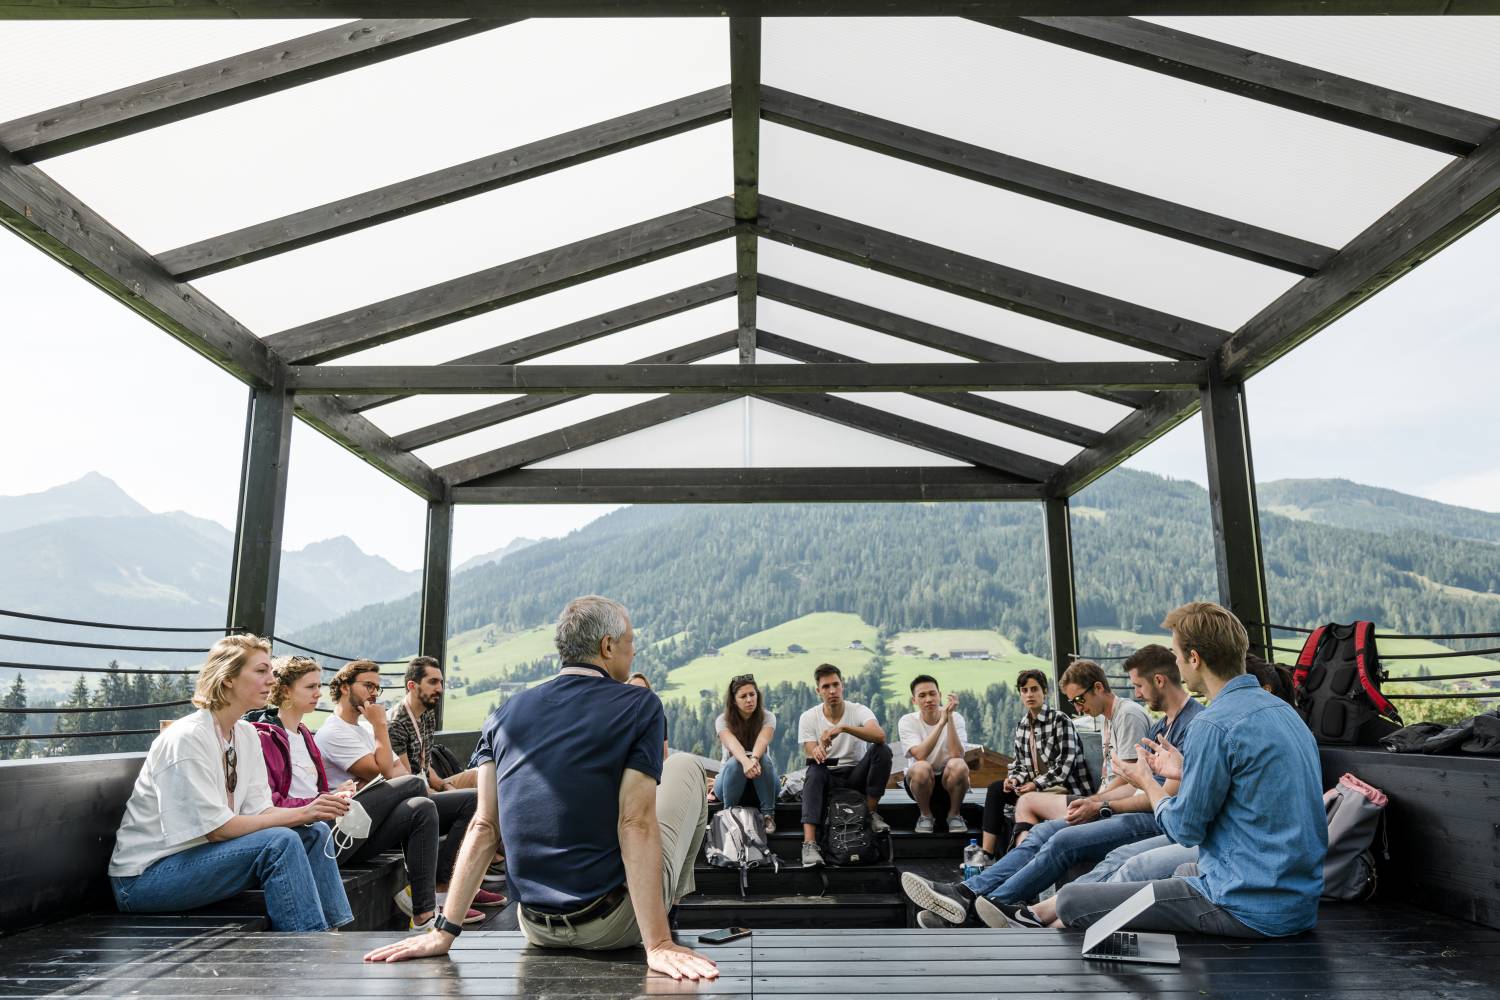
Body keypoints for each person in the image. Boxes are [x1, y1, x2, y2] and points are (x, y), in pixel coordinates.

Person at [363, 595, 719, 982]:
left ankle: (657, 914)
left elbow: (484, 826)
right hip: (614, 926)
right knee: (687, 766)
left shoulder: (502, 715)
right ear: (607, 646)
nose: (633, 651)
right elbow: (635, 824)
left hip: (534, 925)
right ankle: (665, 921)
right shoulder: (639, 705)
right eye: (630, 642)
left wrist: (444, 931)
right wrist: (657, 945)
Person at [1041, 603, 1326, 938]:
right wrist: (1186, 768)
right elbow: (1251, 787)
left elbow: (1184, 829)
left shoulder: (1214, 724)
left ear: (1194, 658)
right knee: (1182, 867)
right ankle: (1036, 916)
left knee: (1073, 900)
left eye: (1176, 654)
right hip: (1297, 905)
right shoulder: (1284, 713)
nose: (1175, 663)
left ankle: (1035, 924)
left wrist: (1147, 782)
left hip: (1243, 906)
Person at [903, 645, 1203, 928]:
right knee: (1042, 830)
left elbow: (1161, 795)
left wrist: (1100, 804)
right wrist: (1096, 801)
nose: (1136, 693)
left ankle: (983, 907)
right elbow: (1134, 782)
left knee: (1062, 840)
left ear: (1159, 681)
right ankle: (968, 893)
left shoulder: (1188, 724)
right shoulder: (1162, 725)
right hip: (1133, 808)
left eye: (1139, 686)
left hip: (1157, 821)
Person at [107, 634, 352, 932]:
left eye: (271, 672)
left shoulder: (246, 734)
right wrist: (303, 812)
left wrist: (314, 811)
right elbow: (218, 830)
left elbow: (261, 810)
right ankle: (308, 946)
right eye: (261, 671)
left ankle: (336, 933)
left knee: (314, 832)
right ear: (228, 680)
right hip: (145, 878)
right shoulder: (188, 737)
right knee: (281, 841)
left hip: (199, 861)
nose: (272, 681)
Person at [247, 655, 467, 931]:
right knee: (413, 785)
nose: (318, 693)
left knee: (421, 806)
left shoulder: (304, 734)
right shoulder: (268, 736)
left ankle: (424, 913)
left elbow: (319, 789)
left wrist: (336, 792)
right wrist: (319, 801)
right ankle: (439, 886)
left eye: (318, 686)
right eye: (310, 687)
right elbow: (271, 801)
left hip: (338, 827)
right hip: (315, 834)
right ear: (286, 691)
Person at [316, 660, 501, 920]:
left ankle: (431, 903)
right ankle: (442, 887)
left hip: (385, 816)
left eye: (377, 689)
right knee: (417, 787)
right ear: (345, 687)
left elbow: (397, 773)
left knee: (464, 802)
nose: (373, 694)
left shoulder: (367, 728)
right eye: (368, 685)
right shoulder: (333, 731)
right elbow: (386, 772)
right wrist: (381, 726)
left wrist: (380, 739)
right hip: (353, 832)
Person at [1010, 658, 1151, 836]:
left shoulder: (1128, 715)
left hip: (1117, 806)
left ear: (1098, 688)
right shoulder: (1107, 718)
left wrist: (1093, 802)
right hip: (1103, 799)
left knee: (1031, 810)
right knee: (1025, 805)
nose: (1077, 708)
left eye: (1079, 699)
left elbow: (1130, 779)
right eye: (1072, 702)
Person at [976, 669, 1090, 862]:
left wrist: (1035, 785)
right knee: (996, 789)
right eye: (1024, 690)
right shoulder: (1022, 725)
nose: (1029, 694)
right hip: (1038, 788)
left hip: (1065, 790)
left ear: (1045, 692)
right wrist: (1014, 779)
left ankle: (1020, 857)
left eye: (1034, 689)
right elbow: (1020, 764)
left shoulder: (1059, 720)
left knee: (1027, 797)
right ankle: (986, 854)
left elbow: (1064, 766)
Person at [797, 664, 893, 867]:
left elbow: (880, 736)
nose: (832, 691)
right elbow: (810, 748)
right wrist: (819, 749)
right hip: (828, 775)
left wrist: (844, 728)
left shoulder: (858, 710)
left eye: (835, 685)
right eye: (826, 687)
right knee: (813, 770)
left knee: (882, 751)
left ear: (843, 686)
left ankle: (871, 813)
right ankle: (809, 843)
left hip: (855, 775)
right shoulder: (808, 716)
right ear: (818, 691)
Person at [389, 655, 476, 791]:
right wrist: (445, 794)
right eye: (433, 682)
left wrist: (445, 786)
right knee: (473, 797)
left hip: (427, 785)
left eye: (440, 682)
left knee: (479, 776)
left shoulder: (427, 713)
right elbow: (407, 781)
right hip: (415, 794)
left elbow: (426, 766)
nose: (439, 689)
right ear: (411, 686)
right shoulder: (396, 724)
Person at [898, 675, 970, 834]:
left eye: (932, 694)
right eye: (922, 696)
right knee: (921, 767)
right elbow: (920, 755)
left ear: (940, 695)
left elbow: (957, 754)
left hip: (948, 782)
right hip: (919, 783)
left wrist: (949, 718)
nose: (928, 699)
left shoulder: (956, 718)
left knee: (958, 764)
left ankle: (954, 815)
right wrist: (941, 723)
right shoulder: (908, 721)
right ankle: (925, 816)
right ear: (914, 701)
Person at [713, 674, 779, 832]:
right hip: (730, 786)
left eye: (752, 694)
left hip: (762, 784)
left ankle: (768, 816)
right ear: (734, 701)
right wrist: (745, 762)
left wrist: (754, 758)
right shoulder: (723, 720)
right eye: (743, 696)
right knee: (735, 761)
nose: (749, 700)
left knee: (763, 758)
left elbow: (762, 741)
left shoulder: (768, 717)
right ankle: (729, 816)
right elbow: (732, 745)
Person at [627, 671, 670, 760]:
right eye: (633, 689)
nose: (638, 693)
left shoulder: (659, 718)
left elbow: (664, 755)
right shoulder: (621, 716)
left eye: (643, 689)